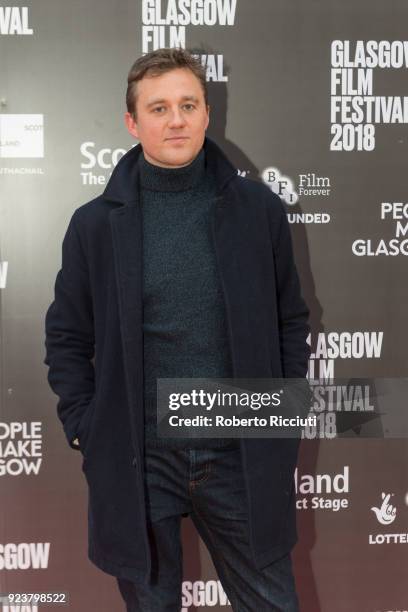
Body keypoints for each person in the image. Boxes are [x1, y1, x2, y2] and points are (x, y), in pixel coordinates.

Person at [44, 47, 310, 611]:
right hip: (141, 458)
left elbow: (291, 319)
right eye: (159, 107)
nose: (176, 119)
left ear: (207, 113)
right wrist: (87, 428)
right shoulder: (94, 225)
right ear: (132, 122)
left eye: (188, 104)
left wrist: (280, 418)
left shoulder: (258, 210)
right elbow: (67, 336)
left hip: (239, 449)